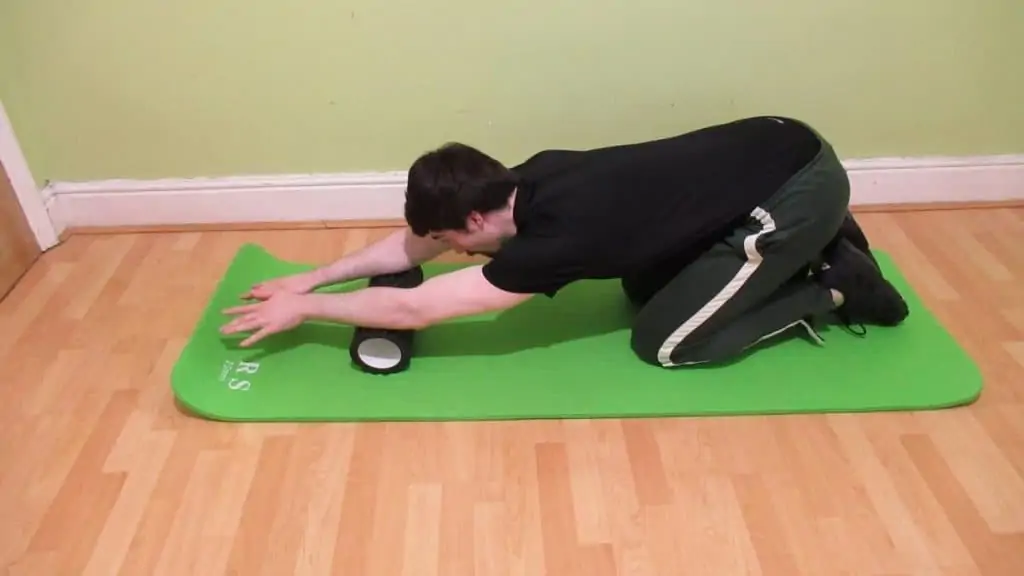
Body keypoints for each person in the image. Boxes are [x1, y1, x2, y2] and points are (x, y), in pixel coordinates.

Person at [221, 115, 909, 366]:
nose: (450, 253)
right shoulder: (514, 183)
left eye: (452, 243)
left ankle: (832, 283)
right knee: (641, 289)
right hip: (769, 145)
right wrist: (308, 278)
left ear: (477, 223)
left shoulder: (553, 241)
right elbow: (414, 248)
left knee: (668, 344)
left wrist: (306, 312)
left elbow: (415, 308)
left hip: (795, 190)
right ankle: (811, 248)